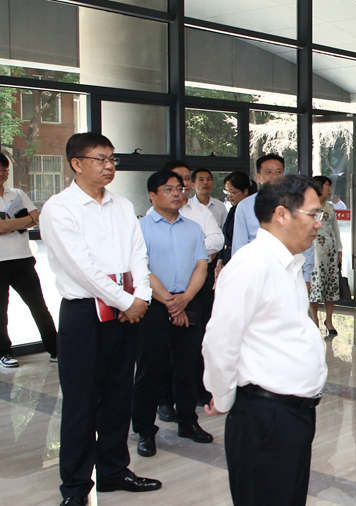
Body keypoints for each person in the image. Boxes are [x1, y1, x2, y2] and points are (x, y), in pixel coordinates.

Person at [41, 133, 160, 506]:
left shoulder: (122, 205)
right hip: (84, 314)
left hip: (126, 313)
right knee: (81, 402)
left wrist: (141, 298)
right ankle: (76, 487)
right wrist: (127, 301)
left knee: (118, 395)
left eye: (112, 159)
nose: (109, 166)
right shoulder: (59, 208)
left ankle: (113, 471)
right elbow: (82, 268)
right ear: (76, 163)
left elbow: (138, 254)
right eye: (100, 159)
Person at [203, 174, 327, 506]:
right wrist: (223, 398)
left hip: (293, 416)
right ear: (281, 214)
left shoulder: (288, 264)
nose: (318, 223)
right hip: (265, 417)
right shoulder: (251, 265)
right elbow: (220, 341)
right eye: (313, 214)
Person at [132, 170, 212, 459]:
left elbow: (201, 266)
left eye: (179, 187)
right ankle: (144, 430)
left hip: (188, 300)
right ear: (152, 195)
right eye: (168, 189)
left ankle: (187, 422)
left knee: (188, 366)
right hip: (153, 305)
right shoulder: (139, 229)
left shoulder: (193, 228)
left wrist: (185, 298)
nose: (177, 193)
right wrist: (169, 301)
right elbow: (140, 268)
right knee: (149, 369)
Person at [155, 160, 224, 417]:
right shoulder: (149, 219)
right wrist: (193, 252)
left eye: (185, 180)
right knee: (162, 350)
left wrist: (192, 252)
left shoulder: (199, 213)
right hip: (162, 294)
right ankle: (164, 400)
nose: (181, 186)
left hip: (196, 288)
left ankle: (195, 395)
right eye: (175, 181)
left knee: (194, 344)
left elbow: (217, 239)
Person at [0, 152, 57, 368]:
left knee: (39, 306)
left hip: (22, 258)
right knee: (1, 311)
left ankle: (55, 349)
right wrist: (25, 220)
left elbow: (38, 217)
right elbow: (2, 227)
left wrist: (14, 223)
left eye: (5, 170)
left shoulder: (17, 193)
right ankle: (4, 353)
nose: (3, 174)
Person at [232, 154, 286, 254]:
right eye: (268, 172)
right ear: (259, 177)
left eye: (279, 172)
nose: (274, 176)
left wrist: (307, 265)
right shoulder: (245, 206)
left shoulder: (296, 202)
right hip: (257, 261)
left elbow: (304, 240)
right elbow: (239, 244)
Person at [309, 175, 343, 335]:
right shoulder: (308, 206)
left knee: (330, 287)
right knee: (315, 287)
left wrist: (339, 249)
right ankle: (314, 319)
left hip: (330, 251)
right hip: (314, 251)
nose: (329, 189)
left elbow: (335, 229)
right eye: (327, 186)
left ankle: (329, 320)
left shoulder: (330, 207)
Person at [215, 171, 256, 278]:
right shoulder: (233, 209)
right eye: (227, 192)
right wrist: (220, 259)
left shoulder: (253, 210)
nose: (229, 196)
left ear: (245, 191)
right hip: (228, 258)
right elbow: (226, 237)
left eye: (232, 192)